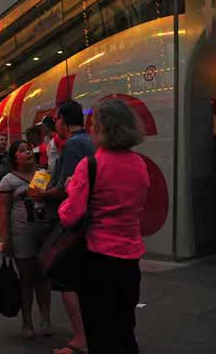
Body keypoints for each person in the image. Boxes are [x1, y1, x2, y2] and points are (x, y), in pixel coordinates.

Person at [57, 99, 150, 354]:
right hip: (130, 260)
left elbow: (69, 216)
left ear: (101, 128)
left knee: (99, 332)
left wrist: (69, 190)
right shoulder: (140, 164)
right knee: (124, 328)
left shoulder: (91, 166)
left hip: (98, 259)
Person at [33, 100, 92, 354]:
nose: (55, 124)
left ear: (64, 120)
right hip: (90, 220)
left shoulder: (72, 145)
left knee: (67, 281)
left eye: (56, 119)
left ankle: (79, 338)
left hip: (73, 221)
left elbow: (67, 188)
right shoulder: (89, 142)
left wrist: (41, 195)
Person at [0, 140, 53, 340]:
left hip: (44, 233)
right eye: (22, 150)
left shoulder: (43, 174)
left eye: (29, 148)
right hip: (22, 235)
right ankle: (27, 322)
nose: (28, 151)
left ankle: (45, 320)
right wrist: (6, 241)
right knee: (27, 279)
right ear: (15, 158)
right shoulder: (8, 181)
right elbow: (3, 213)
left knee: (44, 277)